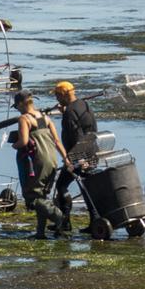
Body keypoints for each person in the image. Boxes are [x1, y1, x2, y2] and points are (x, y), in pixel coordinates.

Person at [11, 91, 68, 238]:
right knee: (42, 195)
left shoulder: (24, 119)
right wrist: (66, 159)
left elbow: (23, 141)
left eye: (16, 106)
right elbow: (57, 141)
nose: (17, 109)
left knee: (32, 198)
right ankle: (40, 233)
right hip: (52, 161)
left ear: (21, 104)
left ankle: (59, 217)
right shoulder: (46, 118)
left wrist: (14, 145)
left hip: (38, 162)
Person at [51, 80, 98, 221]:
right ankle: (94, 219)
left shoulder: (70, 112)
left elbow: (77, 136)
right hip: (92, 150)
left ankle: (64, 221)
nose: (56, 99)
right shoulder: (84, 104)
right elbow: (92, 128)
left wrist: (75, 160)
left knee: (61, 185)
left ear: (64, 95)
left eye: (57, 96)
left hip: (78, 155)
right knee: (87, 188)